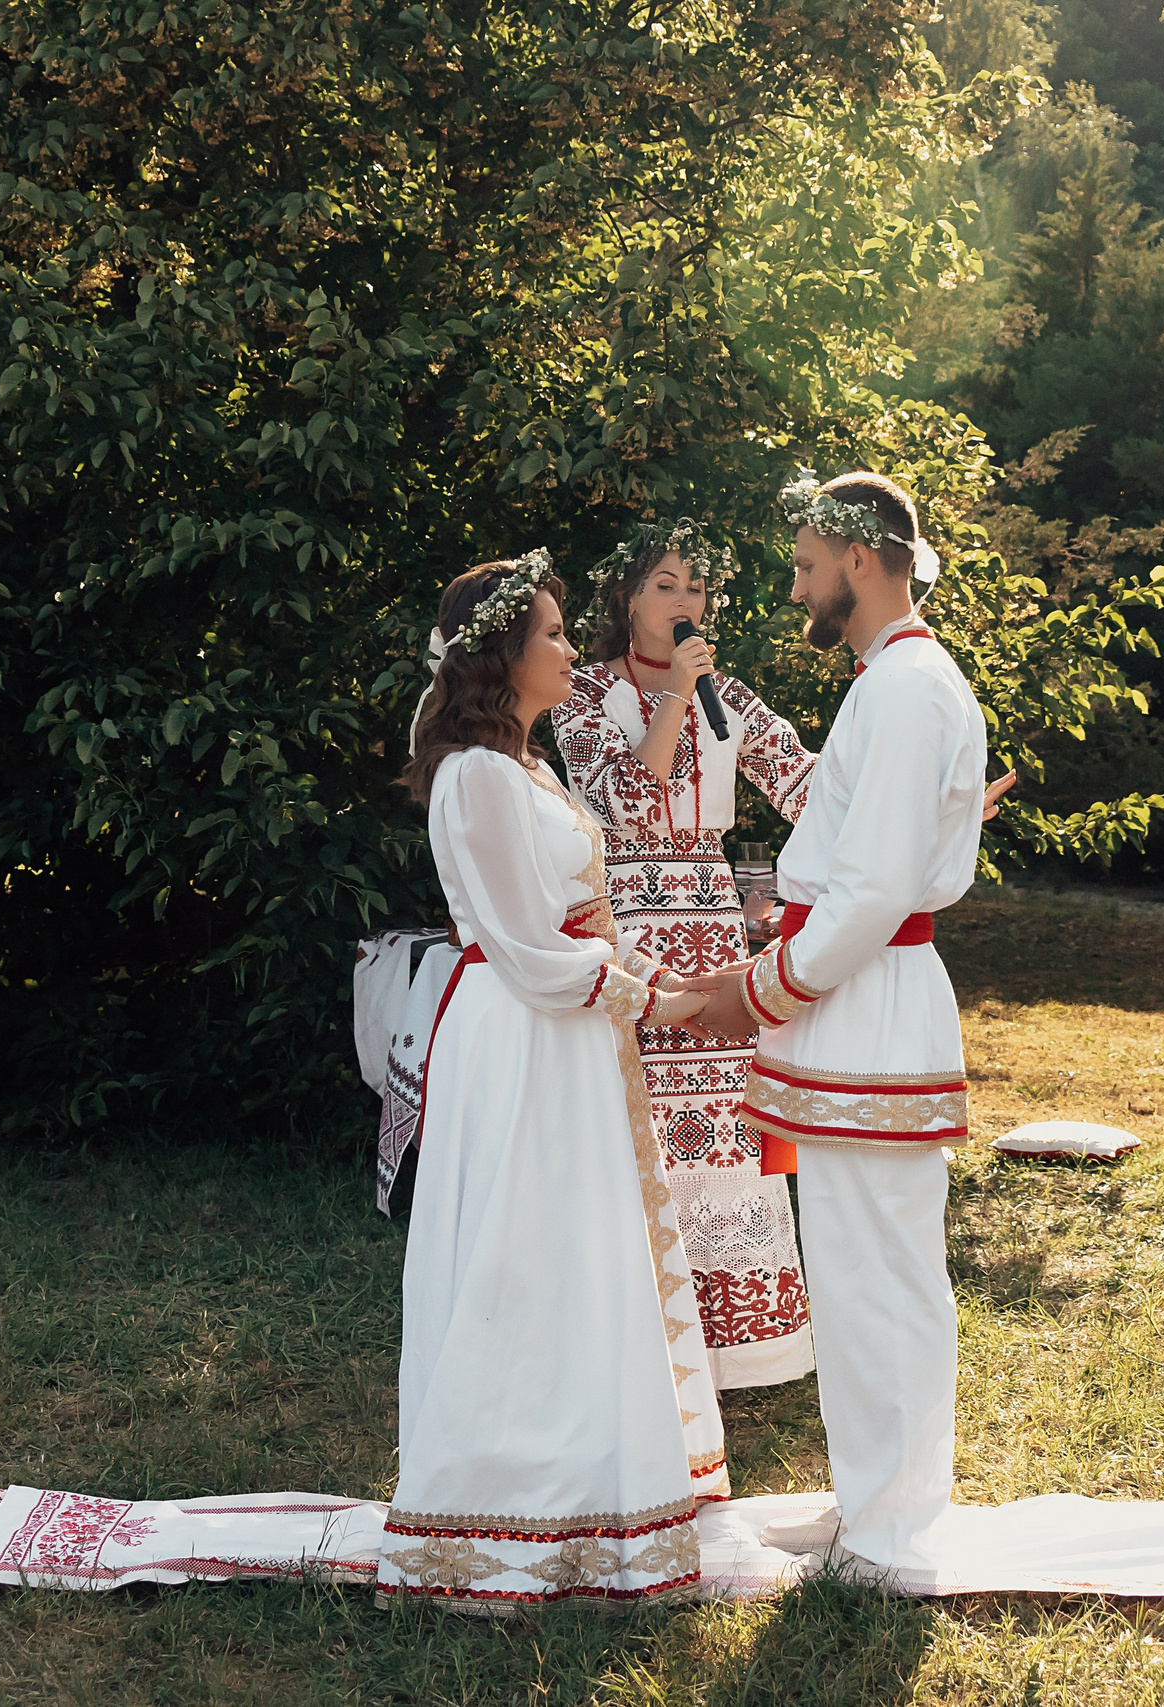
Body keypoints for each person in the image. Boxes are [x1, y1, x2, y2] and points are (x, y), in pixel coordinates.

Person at [375, 553, 729, 1613]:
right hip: (524, 1037)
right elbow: (524, 949)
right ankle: (503, 1494)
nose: (571, 651)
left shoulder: (519, 767)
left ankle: (586, 1469)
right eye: (556, 636)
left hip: (562, 1033)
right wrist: (655, 996)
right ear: (503, 656)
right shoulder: (477, 775)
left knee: (574, 1249)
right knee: (524, 1252)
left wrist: (633, 981)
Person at [678, 471, 987, 1583]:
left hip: (872, 1004)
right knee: (856, 1268)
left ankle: (896, 1533)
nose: (798, 586)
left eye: (807, 565)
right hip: (853, 1006)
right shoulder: (888, 680)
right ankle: (872, 1502)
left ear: (859, 561)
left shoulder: (905, 688)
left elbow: (872, 894)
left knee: (884, 1271)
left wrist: (759, 986)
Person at [549, 519, 823, 1390]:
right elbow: (628, 797)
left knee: (720, 1126)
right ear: (626, 599)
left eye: (694, 588)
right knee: (639, 1118)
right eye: (665, 584)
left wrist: (933, 800)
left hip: (709, 916)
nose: (683, 602)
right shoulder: (580, 692)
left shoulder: (728, 695)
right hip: (628, 916)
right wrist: (672, 692)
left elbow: (809, 785)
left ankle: (740, 1348)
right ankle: (641, 1349)